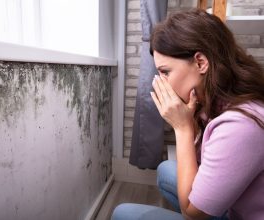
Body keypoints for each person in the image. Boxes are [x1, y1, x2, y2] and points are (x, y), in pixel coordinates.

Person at [112, 9, 264, 220]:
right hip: (233, 205)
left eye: (166, 72)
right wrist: (191, 120)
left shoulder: (241, 126)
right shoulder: (217, 98)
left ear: (201, 63)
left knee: (123, 214)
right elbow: (204, 164)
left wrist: (182, 128)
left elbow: (192, 212)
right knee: (166, 169)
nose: (161, 82)